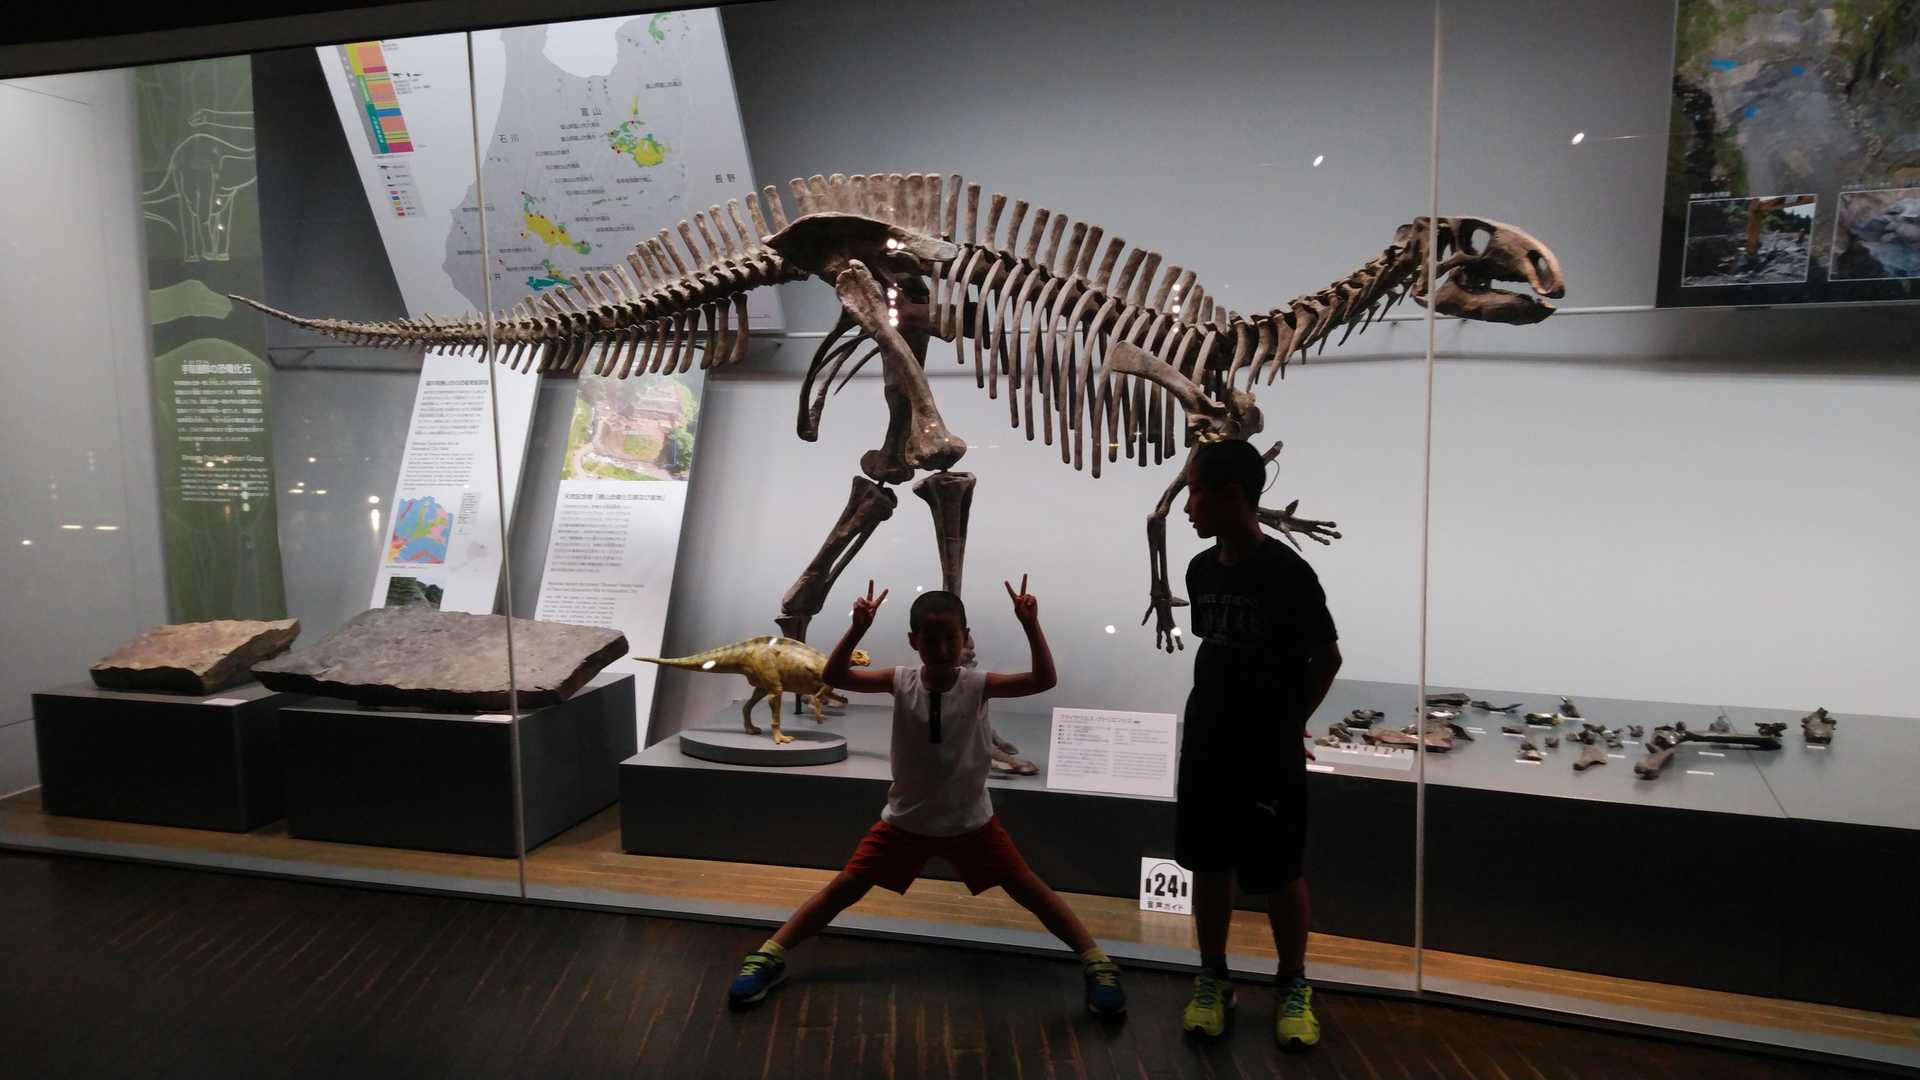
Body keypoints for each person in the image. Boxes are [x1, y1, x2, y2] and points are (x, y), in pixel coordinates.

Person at [726, 577, 1126, 1019]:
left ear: (965, 638)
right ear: (913, 641)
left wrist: (1030, 623)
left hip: (971, 824)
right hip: (904, 823)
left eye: (950, 638)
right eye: (931, 639)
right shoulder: (899, 680)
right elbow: (834, 676)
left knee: (1031, 890)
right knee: (842, 889)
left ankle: (1097, 962)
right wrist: (857, 628)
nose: (941, 648)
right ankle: (770, 953)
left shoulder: (978, 684)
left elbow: (1044, 679)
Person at [1174, 438, 1341, 1048]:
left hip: (1267, 748)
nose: (1186, 506)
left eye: (1195, 492)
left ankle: (1293, 982)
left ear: (1231, 495)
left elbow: (1326, 658)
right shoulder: (1199, 570)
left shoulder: (1288, 574)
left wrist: (1290, 722)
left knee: (1278, 870)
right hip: (1209, 740)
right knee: (1209, 861)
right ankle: (1213, 976)